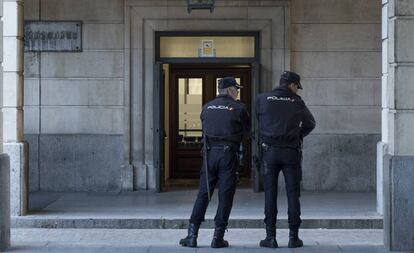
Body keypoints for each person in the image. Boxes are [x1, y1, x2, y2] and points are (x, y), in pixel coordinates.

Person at [179, 77, 251, 248]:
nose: (238, 92)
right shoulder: (239, 108)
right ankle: (217, 238)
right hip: (228, 155)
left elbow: (205, 129)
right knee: (225, 196)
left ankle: (191, 235)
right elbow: (247, 132)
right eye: (236, 89)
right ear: (229, 90)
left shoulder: (207, 107)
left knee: (203, 194)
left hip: (209, 155)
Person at [255, 70, 315, 248]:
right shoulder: (296, 101)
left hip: (269, 152)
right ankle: (293, 237)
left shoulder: (261, 99)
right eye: (297, 87)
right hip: (291, 153)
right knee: (292, 194)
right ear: (292, 85)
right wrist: (298, 136)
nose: (297, 90)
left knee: (270, 195)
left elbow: (257, 123)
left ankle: (270, 237)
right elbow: (311, 123)